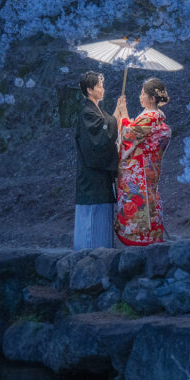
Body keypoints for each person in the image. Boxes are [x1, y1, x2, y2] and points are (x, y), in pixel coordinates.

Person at [114, 77, 172, 246]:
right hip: (149, 169)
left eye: (143, 94)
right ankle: (152, 235)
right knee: (150, 200)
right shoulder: (155, 118)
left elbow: (129, 136)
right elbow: (136, 133)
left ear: (152, 99)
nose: (140, 97)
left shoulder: (151, 116)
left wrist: (123, 112)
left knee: (139, 200)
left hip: (139, 171)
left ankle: (140, 238)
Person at [74, 71, 128, 249]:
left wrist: (118, 112)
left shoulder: (96, 111)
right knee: (91, 226)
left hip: (100, 178)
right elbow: (100, 139)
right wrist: (117, 116)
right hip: (92, 178)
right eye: (99, 86)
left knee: (101, 224)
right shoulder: (86, 113)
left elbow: (107, 127)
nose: (103, 89)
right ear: (89, 90)